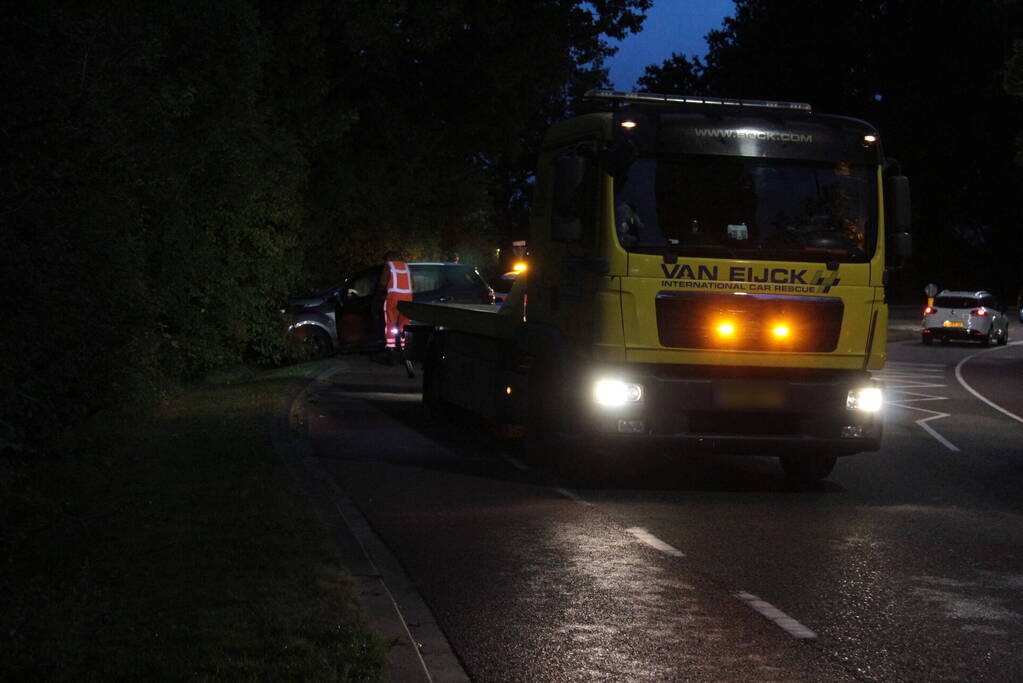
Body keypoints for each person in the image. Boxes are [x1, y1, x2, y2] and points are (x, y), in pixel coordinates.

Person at [381, 252, 413, 350]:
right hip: (407, 300)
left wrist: (382, 294)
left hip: (393, 299)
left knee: (391, 323)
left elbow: (382, 283)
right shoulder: (406, 267)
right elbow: (413, 285)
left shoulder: (388, 266)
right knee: (405, 323)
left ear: (389, 258)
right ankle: (404, 347)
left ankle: (391, 347)